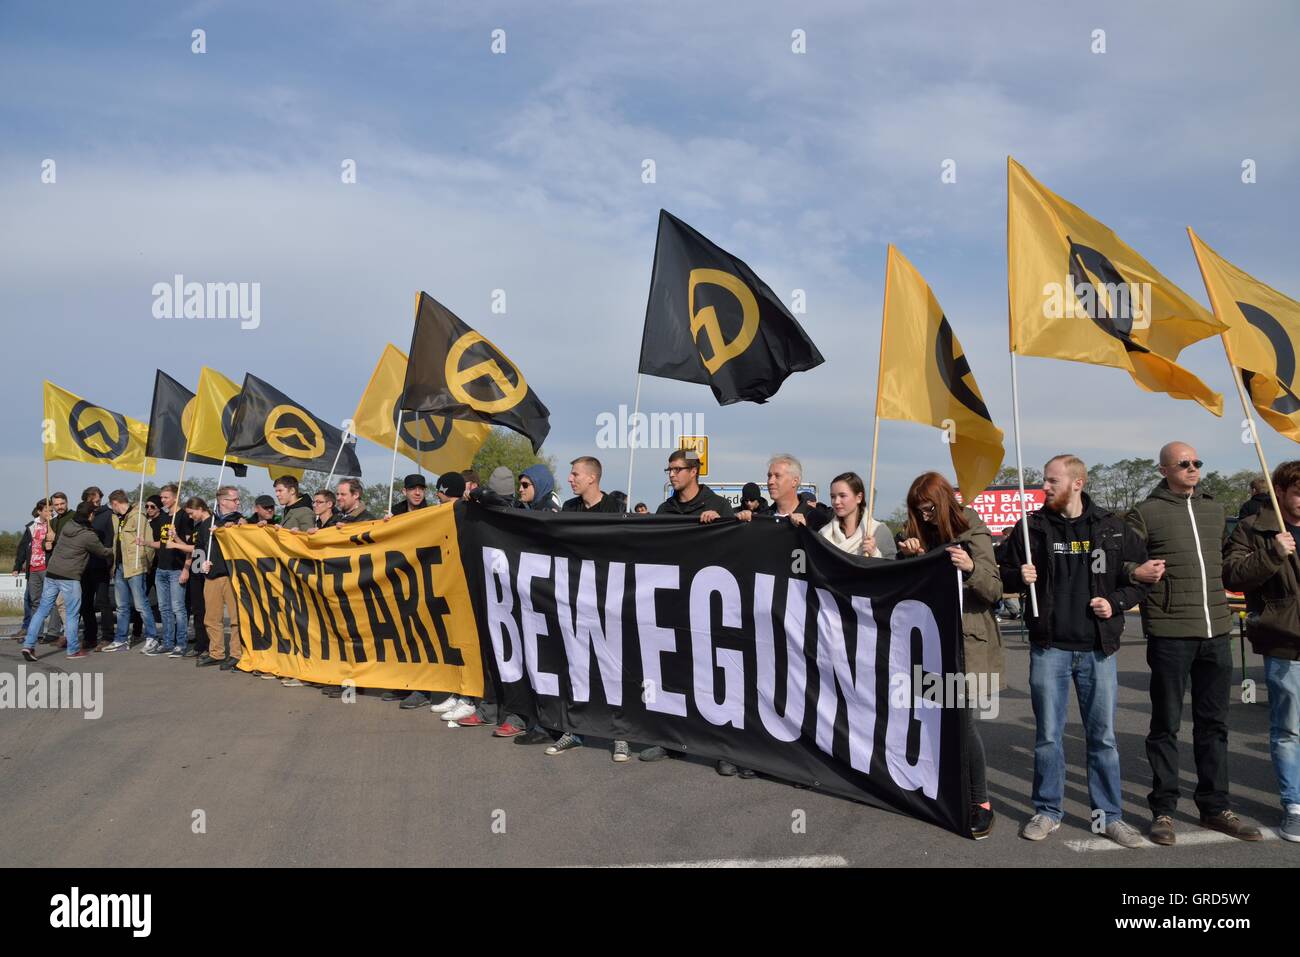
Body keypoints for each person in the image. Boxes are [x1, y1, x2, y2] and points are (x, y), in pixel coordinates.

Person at [997, 455, 1150, 847]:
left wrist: (1115, 603)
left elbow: (1140, 577)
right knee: (1048, 736)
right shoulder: (1030, 529)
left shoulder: (1113, 528)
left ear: (1077, 482)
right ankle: (1048, 811)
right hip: (1049, 648)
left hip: (1098, 650)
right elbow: (997, 573)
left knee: (1103, 739)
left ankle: (1109, 816)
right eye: (1044, 481)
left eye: (1051, 481)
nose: (1044, 487)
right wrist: (1017, 576)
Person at [1127, 442, 1262, 844]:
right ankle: (1164, 811)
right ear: (1164, 469)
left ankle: (1215, 808)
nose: (1192, 468)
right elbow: (1120, 560)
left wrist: (1270, 554)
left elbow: (1230, 565)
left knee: (1214, 725)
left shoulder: (1214, 509)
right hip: (1170, 632)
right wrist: (1137, 570)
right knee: (1165, 726)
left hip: (1216, 631)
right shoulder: (1144, 512)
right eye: (1184, 463)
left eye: (1197, 462)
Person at [896, 471, 1001, 839]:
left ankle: (981, 802)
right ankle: (944, 788)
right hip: (929, 640)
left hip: (966, 641)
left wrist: (970, 568)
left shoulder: (971, 525)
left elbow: (994, 588)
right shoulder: (915, 533)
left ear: (942, 502)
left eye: (928, 509)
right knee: (933, 718)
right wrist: (909, 557)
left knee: (964, 723)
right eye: (917, 510)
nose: (923, 517)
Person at [1222, 460, 1300, 842]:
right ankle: (1295, 806)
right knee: (1288, 729)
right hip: (1286, 641)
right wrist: (1273, 552)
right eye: (1299, 492)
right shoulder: (1255, 529)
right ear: (1281, 493)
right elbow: (1233, 575)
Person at [21, 502, 114, 661]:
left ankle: (29, 645)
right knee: (72, 614)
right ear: (90, 515)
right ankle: (73, 650)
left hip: (52, 573)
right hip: (70, 577)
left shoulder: (68, 526)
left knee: (42, 610)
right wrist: (114, 549)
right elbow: (102, 551)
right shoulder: (88, 535)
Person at [193, 486, 246, 671]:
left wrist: (227, 530)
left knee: (235, 618)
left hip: (232, 576)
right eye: (234, 499)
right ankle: (216, 652)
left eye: (237, 499)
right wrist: (201, 566)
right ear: (223, 501)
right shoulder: (207, 523)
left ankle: (236, 654)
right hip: (211, 576)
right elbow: (198, 548)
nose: (238, 502)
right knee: (211, 618)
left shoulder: (239, 521)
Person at [101, 490, 158, 654]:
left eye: (111, 505)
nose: (112, 508)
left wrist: (146, 564)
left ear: (115, 503)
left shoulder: (138, 516)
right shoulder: (116, 518)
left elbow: (148, 542)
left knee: (141, 605)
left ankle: (152, 636)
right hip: (120, 567)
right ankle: (121, 639)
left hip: (135, 566)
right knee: (122, 606)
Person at [143, 484, 192, 658]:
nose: (162, 500)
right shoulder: (164, 517)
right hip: (161, 569)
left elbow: (189, 548)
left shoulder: (184, 517)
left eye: (165, 497)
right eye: (161, 497)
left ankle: (181, 644)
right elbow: (161, 544)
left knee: (178, 608)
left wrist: (186, 569)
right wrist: (146, 543)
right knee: (164, 608)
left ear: (175, 498)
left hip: (176, 569)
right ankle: (168, 642)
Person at [13, 500, 60, 643]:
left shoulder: (55, 524)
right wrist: (17, 565)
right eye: (46, 510)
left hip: (48, 568)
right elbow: (22, 547)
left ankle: (53, 632)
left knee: (52, 601)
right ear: (39, 511)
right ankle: (36, 632)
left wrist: (53, 540)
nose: (49, 513)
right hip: (33, 568)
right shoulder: (31, 526)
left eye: (51, 511)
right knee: (35, 602)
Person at [819, 472, 896, 559]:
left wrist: (875, 554)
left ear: (859, 497)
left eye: (842, 496)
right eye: (833, 496)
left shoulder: (878, 531)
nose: (836, 501)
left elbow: (892, 568)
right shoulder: (824, 534)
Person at [169, 497, 209, 658]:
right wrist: (177, 538)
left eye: (192, 513)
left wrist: (175, 545)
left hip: (205, 572)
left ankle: (207, 645)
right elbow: (189, 548)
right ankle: (200, 645)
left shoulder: (209, 524)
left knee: (205, 611)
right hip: (195, 570)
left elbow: (197, 547)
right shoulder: (197, 525)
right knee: (197, 610)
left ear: (200, 508)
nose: (191, 517)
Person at [79, 486, 115, 650]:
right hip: (84, 567)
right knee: (85, 604)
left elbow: (110, 541)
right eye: (93, 498)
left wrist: (109, 562)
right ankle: (90, 636)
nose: (97, 501)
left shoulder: (108, 515)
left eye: (99, 498)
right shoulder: (82, 517)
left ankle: (107, 636)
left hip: (101, 566)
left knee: (102, 602)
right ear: (86, 499)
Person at [762, 455, 828, 531]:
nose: (770, 481)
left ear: (794, 481)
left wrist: (805, 529)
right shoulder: (763, 518)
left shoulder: (816, 519)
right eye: (769, 476)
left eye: (777, 476)